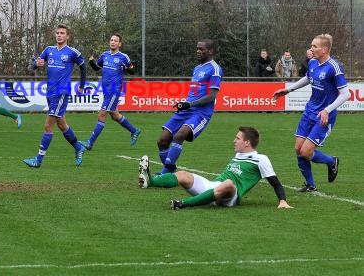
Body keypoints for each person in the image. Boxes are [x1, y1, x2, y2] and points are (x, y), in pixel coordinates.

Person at [138, 127, 293, 210]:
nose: (234, 141)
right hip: (213, 186)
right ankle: (150, 181)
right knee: (183, 174)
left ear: (247, 143)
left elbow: (276, 183)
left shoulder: (261, 159)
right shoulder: (238, 155)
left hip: (231, 195)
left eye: (238, 138)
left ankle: (183, 203)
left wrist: (283, 201)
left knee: (228, 183)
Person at [273, 34, 349, 192]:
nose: (311, 49)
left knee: (306, 151)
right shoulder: (313, 62)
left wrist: (327, 110)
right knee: (298, 149)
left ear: (324, 49)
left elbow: (346, 94)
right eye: (311, 46)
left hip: (324, 116)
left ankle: (331, 161)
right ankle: (310, 185)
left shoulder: (334, 67)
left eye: (314, 46)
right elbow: (308, 78)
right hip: (309, 112)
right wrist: (288, 89)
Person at [23, 24, 88, 168]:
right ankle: (78, 147)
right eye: (57, 33)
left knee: (48, 126)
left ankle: (38, 160)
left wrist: (82, 85)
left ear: (67, 36)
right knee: (62, 124)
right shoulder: (48, 50)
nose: (59, 35)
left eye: (62, 33)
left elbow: (84, 67)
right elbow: (32, 66)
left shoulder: (72, 52)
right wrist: (35, 64)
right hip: (50, 92)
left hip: (61, 93)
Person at [155, 39, 223, 174]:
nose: (198, 51)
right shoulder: (197, 68)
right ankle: (172, 171)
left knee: (179, 136)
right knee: (162, 140)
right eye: (197, 48)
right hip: (187, 109)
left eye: (201, 49)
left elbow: (212, 96)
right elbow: (195, 91)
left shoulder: (215, 69)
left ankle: (165, 172)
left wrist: (190, 104)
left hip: (201, 113)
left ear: (210, 51)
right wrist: (184, 103)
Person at [80, 33, 141, 151]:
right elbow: (97, 68)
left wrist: (127, 68)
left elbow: (132, 71)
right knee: (115, 115)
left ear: (119, 44)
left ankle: (90, 142)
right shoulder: (104, 55)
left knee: (102, 114)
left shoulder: (124, 57)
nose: (112, 42)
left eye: (115, 40)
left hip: (114, 90)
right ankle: (134, 130)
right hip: (105, 90)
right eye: (111, 40)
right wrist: (92, 62)